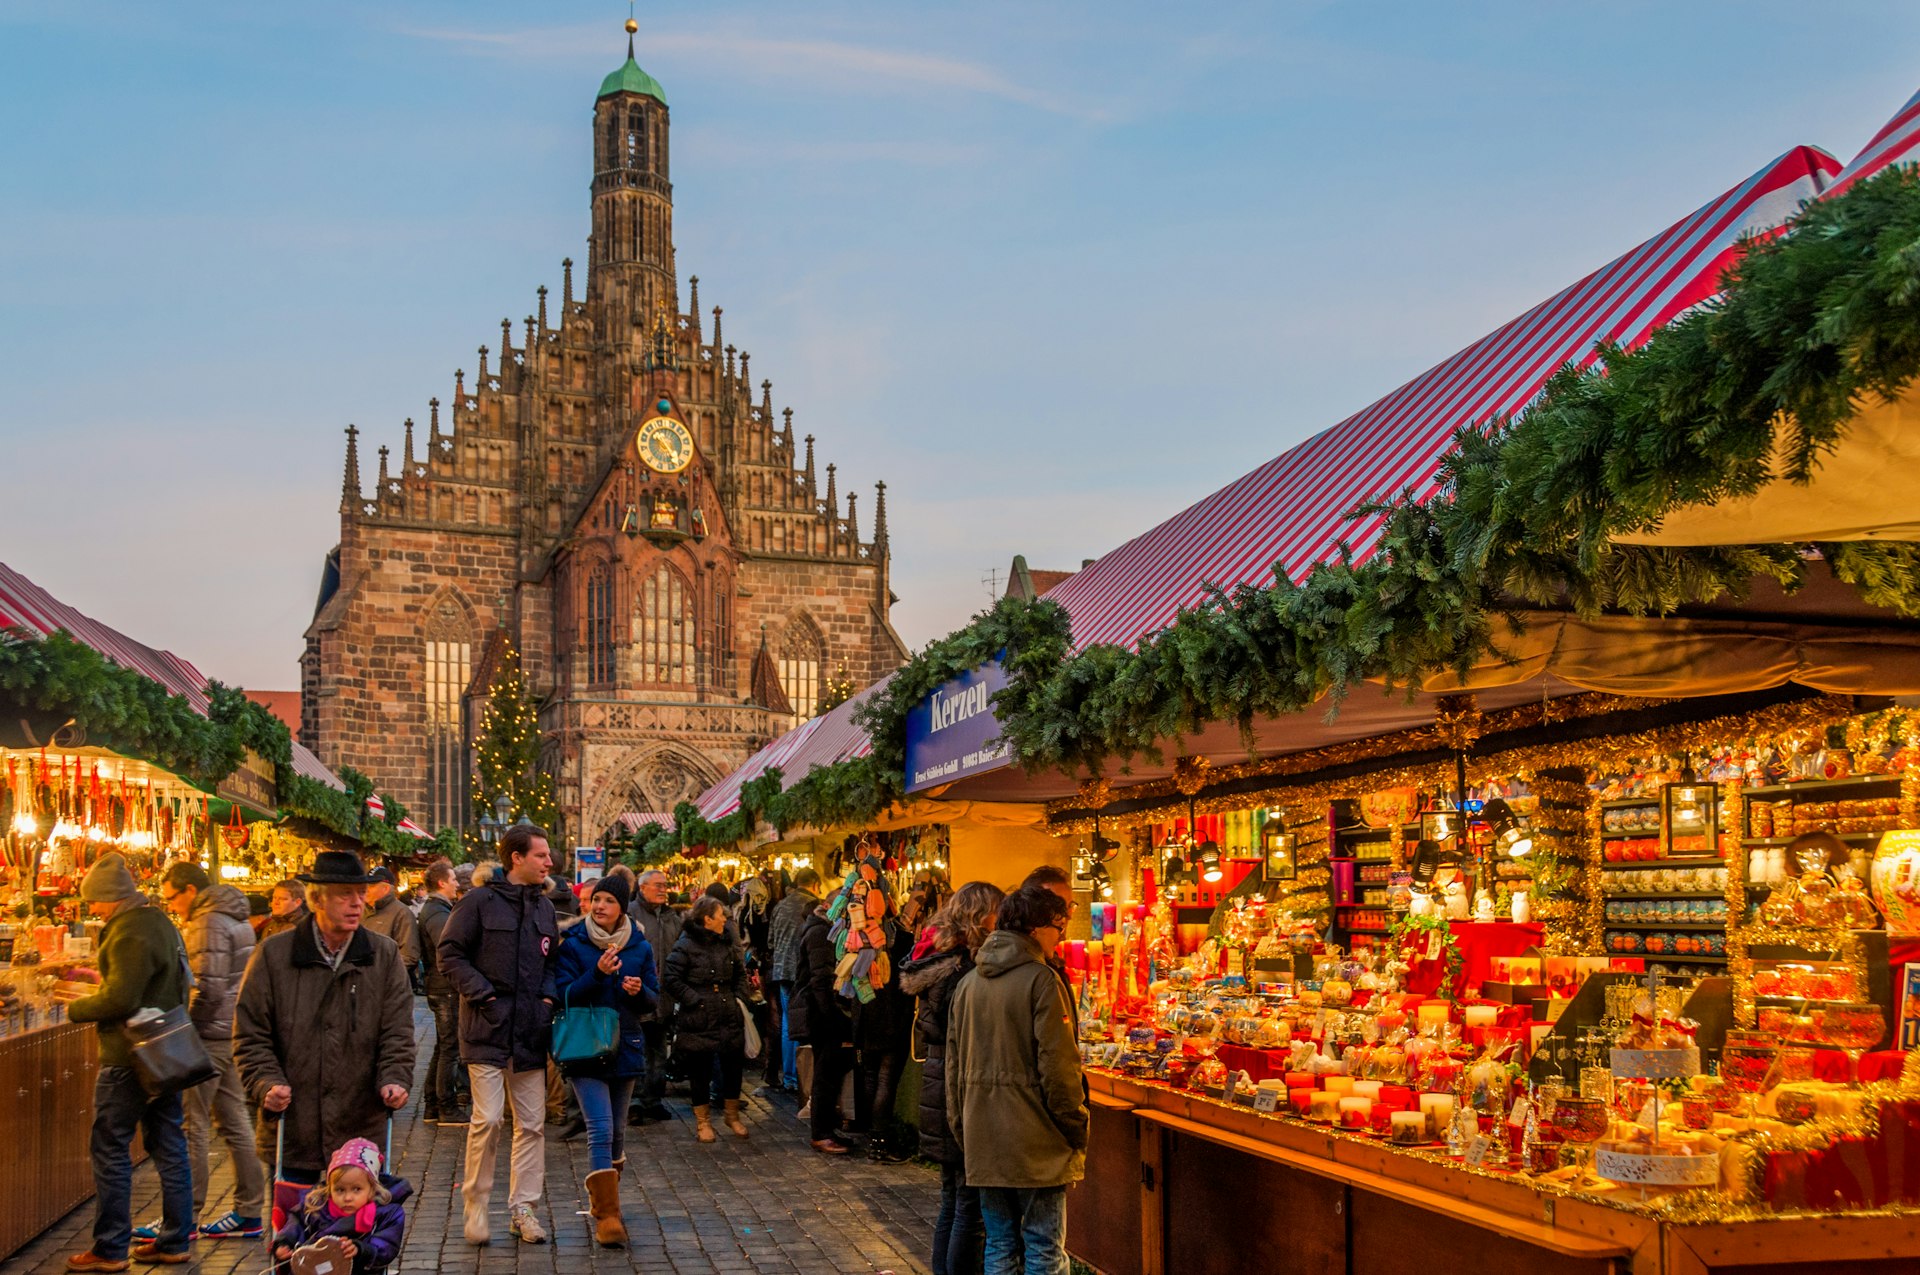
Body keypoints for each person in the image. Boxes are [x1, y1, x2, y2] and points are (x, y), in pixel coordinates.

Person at [233, 851, 415, 1193]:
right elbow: (250, 1032)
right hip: (295, 1119)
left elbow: (398, 1031)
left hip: (360, 1117)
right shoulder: (274, 954)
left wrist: (394, 1078)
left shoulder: (383, 954)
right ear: (317, 899)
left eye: (361, 895)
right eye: (344, 895)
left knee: (352, 1236)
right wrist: (265, 1083)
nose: (356, 904)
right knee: (292, 1236)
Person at [59, 853, 196, 1272]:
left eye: (95, 902)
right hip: (166, 1052)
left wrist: (74, 1006)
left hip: (129, 1056)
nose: (92, 909)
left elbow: (121, 997)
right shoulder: (159, 921)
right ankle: (175, 1240)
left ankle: (110, 1247)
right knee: (169, 1144)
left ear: (112, 898)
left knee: (111, 1148)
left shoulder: (129, 931)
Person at [947, 884, 1087, 1275]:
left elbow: (953, 1071)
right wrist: (1075, 1125)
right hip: (1036, 1139)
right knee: (1043, 1246)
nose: (1062, 938)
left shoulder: (969, 983)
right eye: (1061, 928)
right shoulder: (1041, 981)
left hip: (984, 1134)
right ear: (1038, 928)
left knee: (1000, 1243)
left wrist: (963, 1126)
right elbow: (1059, 1068)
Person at [437, 823, 559, 1246]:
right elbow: (449, 953)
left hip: (529, 1030)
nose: (549, 862)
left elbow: (553, 964)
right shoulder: (478, 902)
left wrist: (547, 1000)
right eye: (541, 855)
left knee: (532, 1124)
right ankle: (476, 1203)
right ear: (516, 859)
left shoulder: (545, 908)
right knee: (488, 1119)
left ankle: (523, 1208)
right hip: (486, 1026)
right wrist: (482, 994)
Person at [149, 862, 266, 1243]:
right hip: (230, 1031)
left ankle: (183, 1216)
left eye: (172, 898)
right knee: (234, 1122)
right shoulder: (235, 915)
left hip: (208, 1036)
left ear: (189, 891)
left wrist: (186, 1031)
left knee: (193, 1126)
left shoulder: (207, 921)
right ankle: (249, 1211)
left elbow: (207, 987)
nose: (171, 907)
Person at [901, 881, 1004, 1275]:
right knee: (968, 1204)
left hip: (938, 1080)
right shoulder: (961, 969)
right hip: (954, 1086)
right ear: (980, 918)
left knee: (953, 1198)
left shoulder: (938, 959)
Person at [551, 874, 656, 1246]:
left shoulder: (640, 947)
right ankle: (608, 1217)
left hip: (624, 1045)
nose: (599, 906)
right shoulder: (574, 943)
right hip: (584, 1047)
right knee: (600, 1126)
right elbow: (564, 994)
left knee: (618, 1132)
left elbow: (653, 1000)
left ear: (621, 908)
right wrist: (596, 974)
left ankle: (606, 1202)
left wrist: (639, 991)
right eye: (596, 899)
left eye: (608, 901)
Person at [662, 894, 750, 1143]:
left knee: (733, 1065)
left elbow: (739, 972)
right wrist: (694, 999)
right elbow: (671, 978)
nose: (725, 917)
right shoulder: (686, 944)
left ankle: (732, 1115)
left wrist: (738, 998)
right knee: (700, 1069)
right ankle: (703, 1122)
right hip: (698, 1017)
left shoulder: (726, 941)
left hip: (727, 1011)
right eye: (720, 914)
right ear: (707, 918)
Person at [269, 1137, 409, 1275]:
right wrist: (284, 1243)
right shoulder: (316, 1207)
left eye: (356, 1189)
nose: (347, 1198)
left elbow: (387, 1245)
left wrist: (361, 1250)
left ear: (372, 1189)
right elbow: (295, 1225)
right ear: (330, 1188)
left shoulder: (386, 1214)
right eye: (340, 1190)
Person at [788, 891, 853, 1153]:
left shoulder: (826, 930)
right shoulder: (820, 933)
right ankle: (821, 1133)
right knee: (826, 1072)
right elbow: (820, 978)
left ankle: (828, 1128)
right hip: (820, 1011)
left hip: (824, 1009)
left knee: (832, 1069)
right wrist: (832, 1015)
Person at [625, 868, 681, 1123]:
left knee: (659, 1051)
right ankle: (634, 1102)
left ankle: (653, 1100)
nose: (662, 889)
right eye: (657, 885)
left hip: (663, 996)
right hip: (637, 994)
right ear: (642, 887)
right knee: (636, 1050)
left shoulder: (671, 917)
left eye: (664, 885)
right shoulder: (630, 913)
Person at [415, 861, 465, 1124]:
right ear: (442, 883)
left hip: (440, 985)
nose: (457, 883)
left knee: (443, 1046)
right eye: (454, 879)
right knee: (450, 1048)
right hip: (444, 987)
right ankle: (445, 1106)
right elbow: (448, 946)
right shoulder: (436, 912)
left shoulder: (438, 909)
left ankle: (433, 1105)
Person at [767, 866, 820, 1092]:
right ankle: (800, 1077)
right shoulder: (813, 906)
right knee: (802, 1022)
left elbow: (770, 941)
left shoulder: (780, 905)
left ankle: (789, 1076)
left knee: (788, 1023)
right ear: (815, 884)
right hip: (801, 971)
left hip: (781, 972)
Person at [358, 867, 421, 986]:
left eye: (371, 886)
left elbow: (409, 955)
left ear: (385, 888)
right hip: (360, 984)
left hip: (387, 986)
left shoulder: (402, 913)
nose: (365, 890)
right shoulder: (360, 910)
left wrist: (380, 976)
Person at [258, 879, 308, 943]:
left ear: (297, 902)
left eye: (282, 899)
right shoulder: (270, 925)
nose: (275, 902)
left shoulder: (301, 928)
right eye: (274, 898)